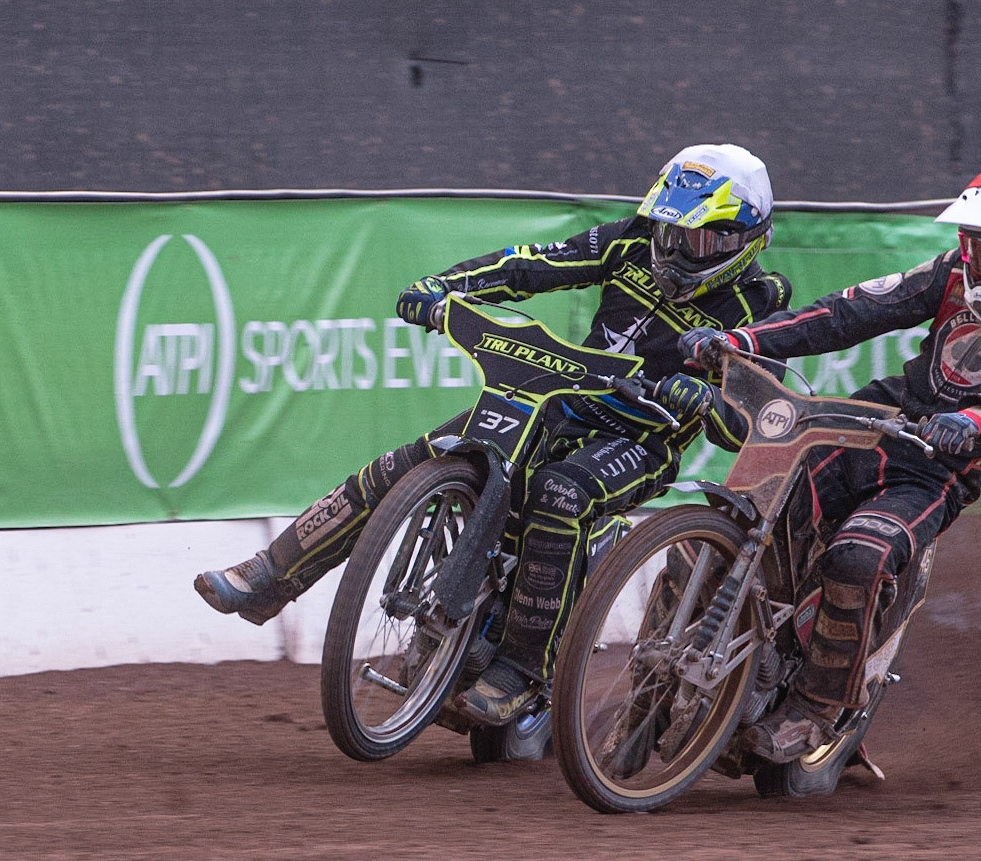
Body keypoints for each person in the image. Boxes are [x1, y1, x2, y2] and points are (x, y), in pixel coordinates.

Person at [194, 143, 792, 726]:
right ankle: (269, 575)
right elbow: (530, 263)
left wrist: (708, 397)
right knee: (424, 457)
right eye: (668, 228)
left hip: (644, 438)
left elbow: (758, 420)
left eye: (698, 238)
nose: (675, 247)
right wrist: (446, 287)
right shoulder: (629, 240)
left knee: (559, 494)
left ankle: (522, 673)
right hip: (561, 397)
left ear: (745, 241)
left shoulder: (761, 302)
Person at [679, 159, 981, 763]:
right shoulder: (950, 274)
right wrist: (746, 340)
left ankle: (816, 707)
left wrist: (978, 416)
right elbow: (851, 311)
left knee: (857, 556)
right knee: (738, 509)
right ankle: (691, 650)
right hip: (875, 420)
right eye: (977, 246)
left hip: (938, 469)